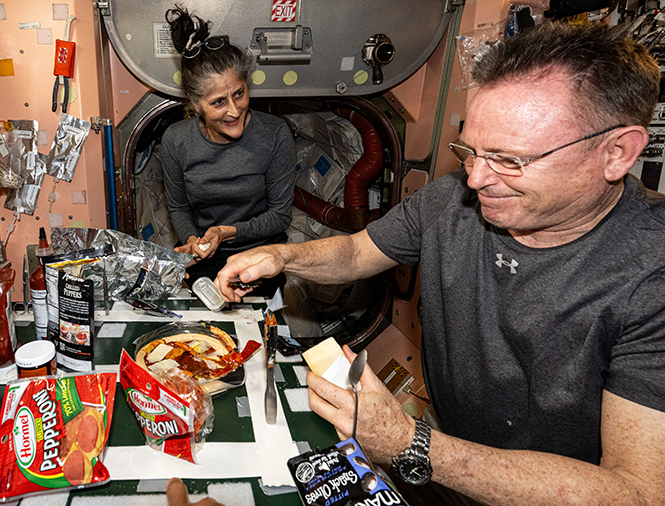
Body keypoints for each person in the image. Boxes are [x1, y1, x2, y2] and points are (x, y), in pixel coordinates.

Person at [215, 21, 665, 505]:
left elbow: (636, 492)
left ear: (617, 152)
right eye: (470, 151)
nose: (476, 179)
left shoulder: (651, 274)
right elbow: (357, 251)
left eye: (508, 159)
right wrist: (283, 256)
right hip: (446, 462)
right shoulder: (452, 199)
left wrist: (412, 443)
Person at [161, 6, 295, 296]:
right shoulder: (175, 141)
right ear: (196, 104)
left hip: (262, 257)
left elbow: (280, 215)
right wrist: (194, 239)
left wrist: (225, 232)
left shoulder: (274, 134)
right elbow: (179, 207)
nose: (234, 111)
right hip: (206, 259)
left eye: (239, 94)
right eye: (219, 102)